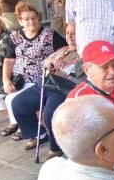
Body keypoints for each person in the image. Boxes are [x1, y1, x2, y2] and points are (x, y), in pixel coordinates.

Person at [11, 24, 81, 157]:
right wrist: (48, 62)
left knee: (49, 114)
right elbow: (44, 62)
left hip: (61, 89)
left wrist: (64, 68)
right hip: (44, 83)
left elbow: (79, 77)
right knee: (18, 104)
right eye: (67, 33)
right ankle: (39, 134)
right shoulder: (63, 49)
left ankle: (56, 147)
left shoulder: (83, 53)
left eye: (74, 33)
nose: (70, 36)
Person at [1, 2, 66, 138]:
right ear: (20, 20)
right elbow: (9, 60)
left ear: (38, 18)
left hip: (40, 80)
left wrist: (54, 60)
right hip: (18, 80)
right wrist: (6, 80)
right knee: (9, 97)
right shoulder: (14, 37)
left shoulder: (49, 34)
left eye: (34, 17)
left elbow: (64, 50)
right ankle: (36, 132)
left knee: (14, 100)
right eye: (26, 19)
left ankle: (27, 129)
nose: (31, 21)